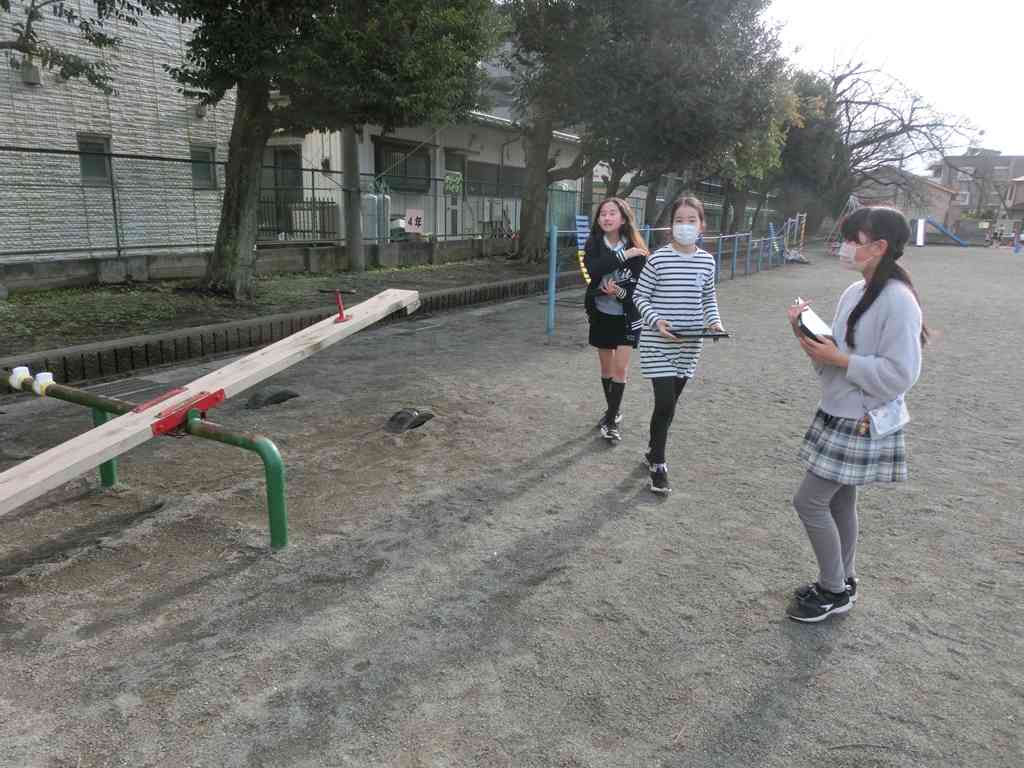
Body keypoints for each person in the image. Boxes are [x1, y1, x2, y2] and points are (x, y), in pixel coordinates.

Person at [785, 206, 926, 623]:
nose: (846, 246)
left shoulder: (899, 300)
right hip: (839, 410)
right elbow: (839, 349)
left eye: (854, 239)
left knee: (809, 502)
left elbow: (901, 374)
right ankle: (843, 579)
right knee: (841, 501)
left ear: (880, 246)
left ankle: (832, 588)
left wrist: (841, 360)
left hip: (861, 418)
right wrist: (806, 333)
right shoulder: (855, 290)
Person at [632, 196, 724, 493]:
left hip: (690, 343)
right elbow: (639, 297)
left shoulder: (707, 261)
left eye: (691, 220)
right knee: (665, 403)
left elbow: (708, 298)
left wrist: (715, 322)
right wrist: (657, 320)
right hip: (657, 342)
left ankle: (651, 451)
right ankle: (658, 464)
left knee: (669, 407)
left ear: (702, 225)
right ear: (671, 226)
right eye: (679, 220)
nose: (685, 226)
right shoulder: (658, 259)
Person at [582, 198, 649, 441]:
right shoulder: (593, 244)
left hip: (626, 317)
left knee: (621, 369)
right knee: (606, 368)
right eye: (602, 214)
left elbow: (639, 290)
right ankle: (614, 410)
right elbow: (594, 271)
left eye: (612, 213)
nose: (607, 217)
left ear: (623, 218)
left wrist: (619, 292)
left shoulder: (637, 249)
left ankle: (611, 422)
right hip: (601, 313)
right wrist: (622, 255)